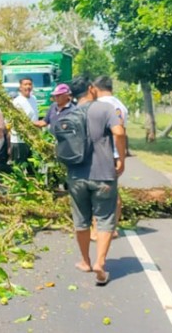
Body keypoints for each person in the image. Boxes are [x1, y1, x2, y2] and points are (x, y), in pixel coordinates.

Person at [63, 76, 126, 286]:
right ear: (91, 89)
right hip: (103, 174)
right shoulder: (104, 109)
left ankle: (85, 261)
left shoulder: (69, 113)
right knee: (105, 218)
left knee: (81, 219)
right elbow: (118, 131)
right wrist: (121, 159)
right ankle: (100, 262)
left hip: (75, 175)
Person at [90, 75, 129, 241]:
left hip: (100, 154)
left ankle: (96, 229)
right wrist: (122, 157)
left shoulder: (99, 105)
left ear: (96, 88)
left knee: (95, 192)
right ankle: (112, 227)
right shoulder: (121, 106)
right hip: (114, 154)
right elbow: (122, 134)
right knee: (113, 192)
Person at [11, 77, 39, 163]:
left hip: (33, 138)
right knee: (21, 165)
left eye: (30, 84)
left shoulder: (34, 99)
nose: (28, 86)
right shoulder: (16, 101)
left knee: (32, 166)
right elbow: (15, 120)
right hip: (20, 139)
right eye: (25, 84)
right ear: (20, 87)